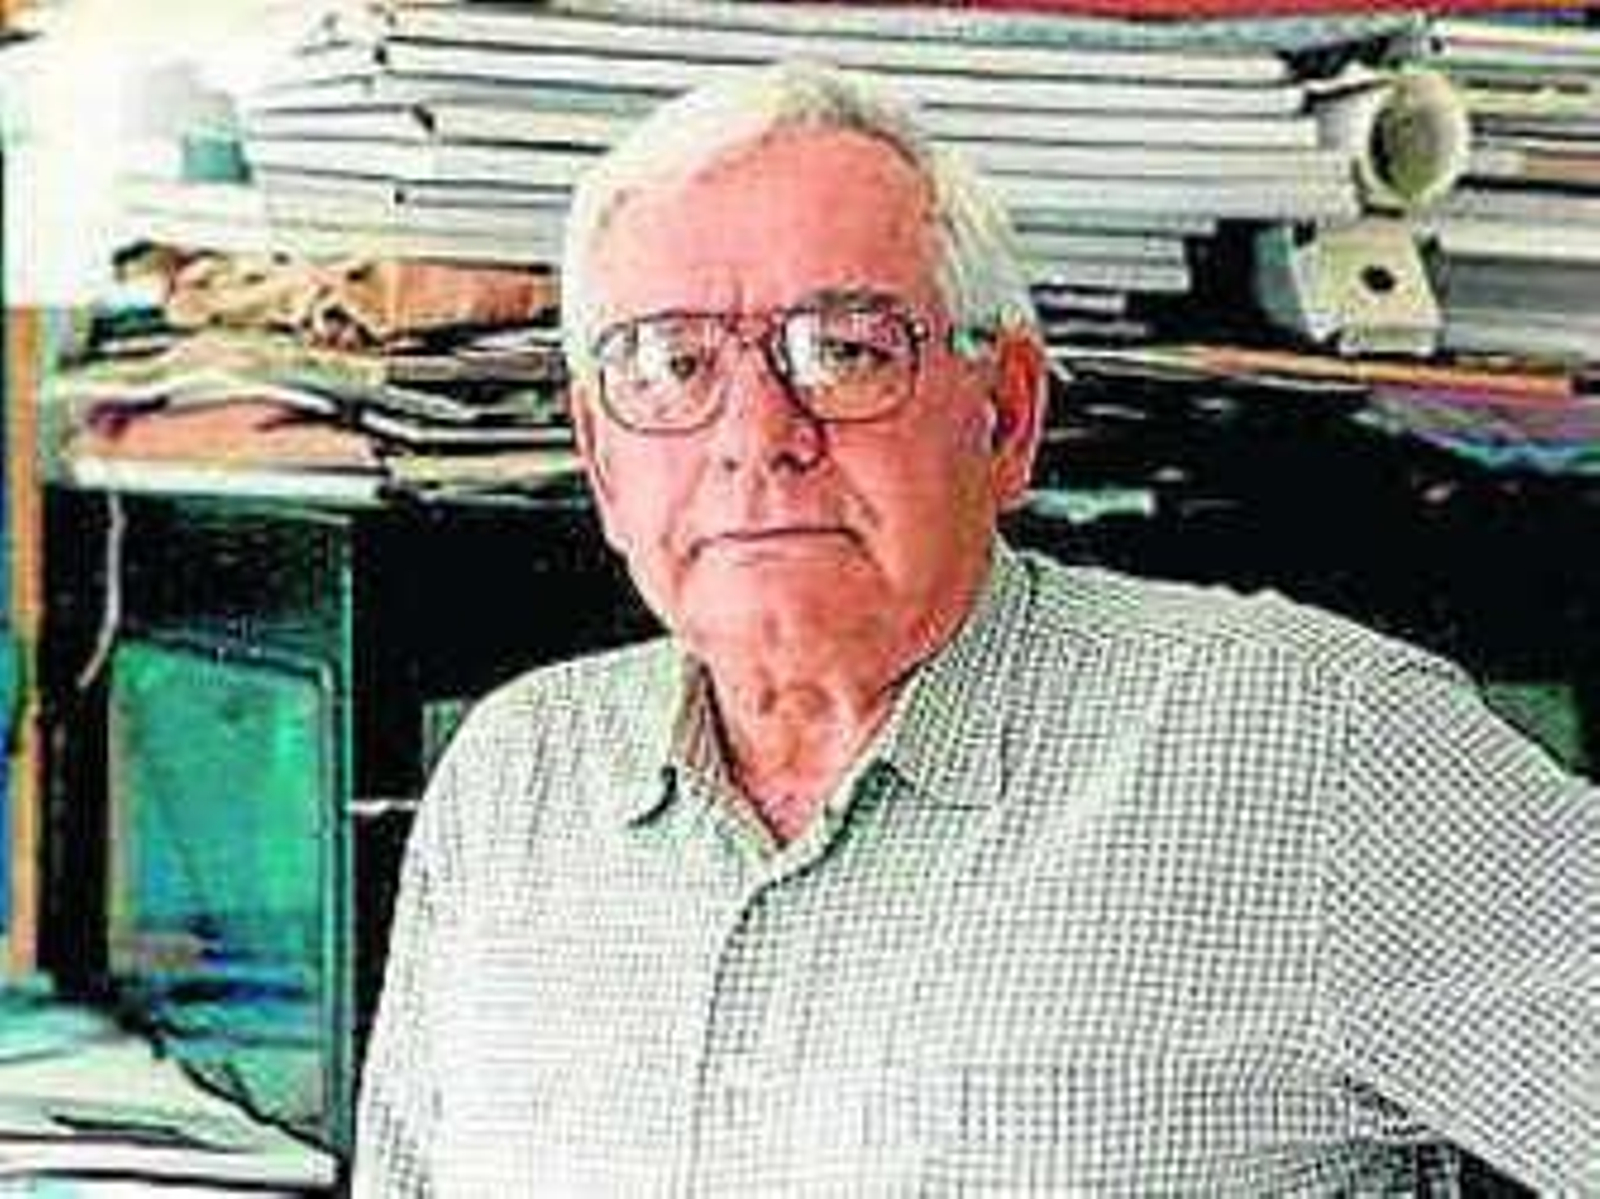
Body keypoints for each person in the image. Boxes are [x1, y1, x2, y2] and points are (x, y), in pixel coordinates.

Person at [353, 61, 1595, 1196]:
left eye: (845, 350)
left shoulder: (1313, 749)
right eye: (671, 365)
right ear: (601, 458)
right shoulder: (515, 780)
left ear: (1004, 414)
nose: (756, 436)